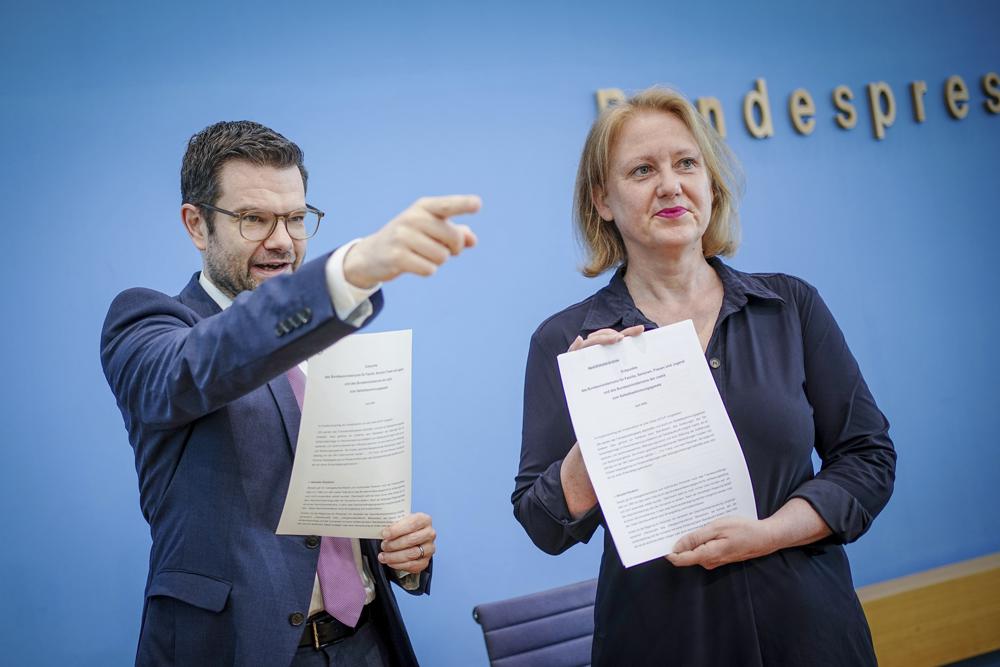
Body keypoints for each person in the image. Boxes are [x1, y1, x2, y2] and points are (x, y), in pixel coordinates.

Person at [512, 87, 896, 666]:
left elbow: (868, 457)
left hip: (811, 634)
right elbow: (544, 526)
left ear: (710, 184)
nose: (670, 185)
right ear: (603, 201)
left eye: (686, 163)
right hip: (662, 639)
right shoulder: (566, 343)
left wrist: (770, 533)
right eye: (642, 170)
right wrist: (597, 432)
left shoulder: (791, 307)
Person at [101, 120, 480, 666]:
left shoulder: (325, 339)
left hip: (369, 643)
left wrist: (399, 556)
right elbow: (196, 367)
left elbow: (339, 512)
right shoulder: (152, 325)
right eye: (254, 219)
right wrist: (348, 272)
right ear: (196, 224)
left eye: (297, 218)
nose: (282, 241)